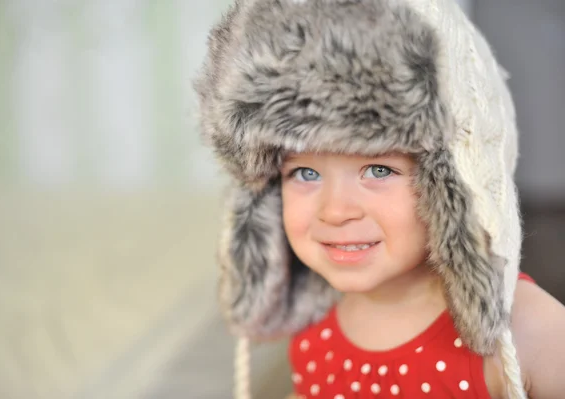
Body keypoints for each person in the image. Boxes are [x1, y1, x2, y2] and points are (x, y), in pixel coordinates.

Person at [194, 0, 565, 397]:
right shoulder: (314, 330)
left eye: (378, 170)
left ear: (455, 185)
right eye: (305, 173)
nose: (336, 211)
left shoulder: (528, 330)